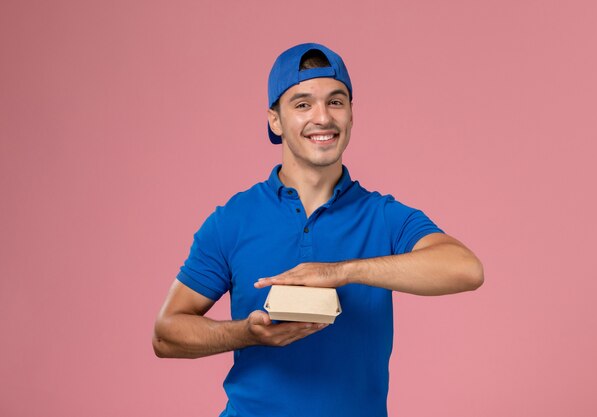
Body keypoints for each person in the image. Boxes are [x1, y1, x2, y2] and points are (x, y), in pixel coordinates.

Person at [152, 42, 484, 417]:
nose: (323, 117)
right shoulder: (233, 219)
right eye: (303, 104)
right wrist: (247, 333)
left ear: (352, 114)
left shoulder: (383, 215)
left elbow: (466, 268)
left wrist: (340, 272)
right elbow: (166, 334)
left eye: (336, 102)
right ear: (275, 120)